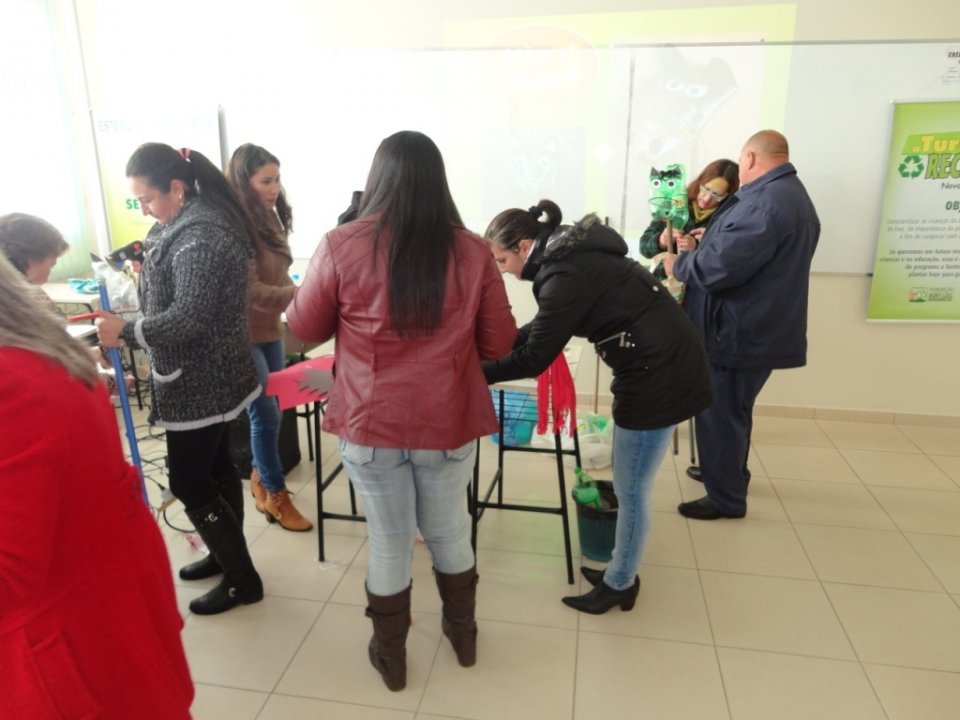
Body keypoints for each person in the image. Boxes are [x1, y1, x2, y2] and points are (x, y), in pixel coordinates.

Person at [286, 130, 517, 691]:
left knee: (389, 541)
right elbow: (500, 345)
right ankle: (463, 637)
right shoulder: (470, 250)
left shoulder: (341, 243)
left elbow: (301, 331)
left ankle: (391, 657)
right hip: (447, 421)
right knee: (449, 530)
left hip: (371, 422)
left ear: (377, 179)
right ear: (439, 181)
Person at [483, 200, 712, 615]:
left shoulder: (562, 273)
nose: (503, 270)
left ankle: (621, 582)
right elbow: (549, 325)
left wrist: (476, 373)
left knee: (631, 490)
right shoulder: (570, 258)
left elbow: (536, 356)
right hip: (661, 362)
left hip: (658, 375)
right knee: (630, 485)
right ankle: (621, 569)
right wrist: (502, 345)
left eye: (502, 259)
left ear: (523, 245)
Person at [0, 252, 194, 718]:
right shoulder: (38, 350)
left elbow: (12, 571)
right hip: (102, 607)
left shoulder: (15, 382)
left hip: (73, 642)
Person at [96, 143, 264, 615]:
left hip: (201, 380)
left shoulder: (200, 236)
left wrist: (125, 331)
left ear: (176, 187)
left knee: (189, 482)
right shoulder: (185, 224)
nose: (144, 209)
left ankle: (242, 579)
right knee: (216, 470)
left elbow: (187, 317)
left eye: (147, 199)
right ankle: (227, 555)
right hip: (211, 373)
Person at [662, 130, 820, 520]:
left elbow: (720, 270)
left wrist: (678, 265)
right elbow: (744, 256)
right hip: (752, 326)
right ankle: (727, 473)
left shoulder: (766, 203)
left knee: (719, 412)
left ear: (749, 158)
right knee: (734, 410)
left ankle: (725, 498)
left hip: (736, 330)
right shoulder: (787, 194)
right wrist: (707, 241)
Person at [227, 143, 312, 532]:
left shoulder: (270, 216)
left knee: (274, 409)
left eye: (277, 179)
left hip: (270, 328)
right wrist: (303, 292)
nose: (275, 187)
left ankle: (262, 479)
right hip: (242, 332)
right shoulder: (234, 224)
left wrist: (296, 291)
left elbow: (275, 278)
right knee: (263, 414)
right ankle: (275, 495)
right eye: (266, 180)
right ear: (244, 183)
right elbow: (251, 291)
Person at [639, 159, 739, 279]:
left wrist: (698, 247)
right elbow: (643, 247)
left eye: (716, 195)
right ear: (700, 182)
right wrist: (660, 241)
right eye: (706, 189)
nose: (707, 199)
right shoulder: (673, 204)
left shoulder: (728, 219)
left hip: (696, 290)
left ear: (727, 196)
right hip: (664, 285)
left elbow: (725, 263)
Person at [0, 212, 70, 315]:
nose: (50, 270)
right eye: (51, 264)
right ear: (31, 258)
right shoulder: (14, 305)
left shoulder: (28, 290)